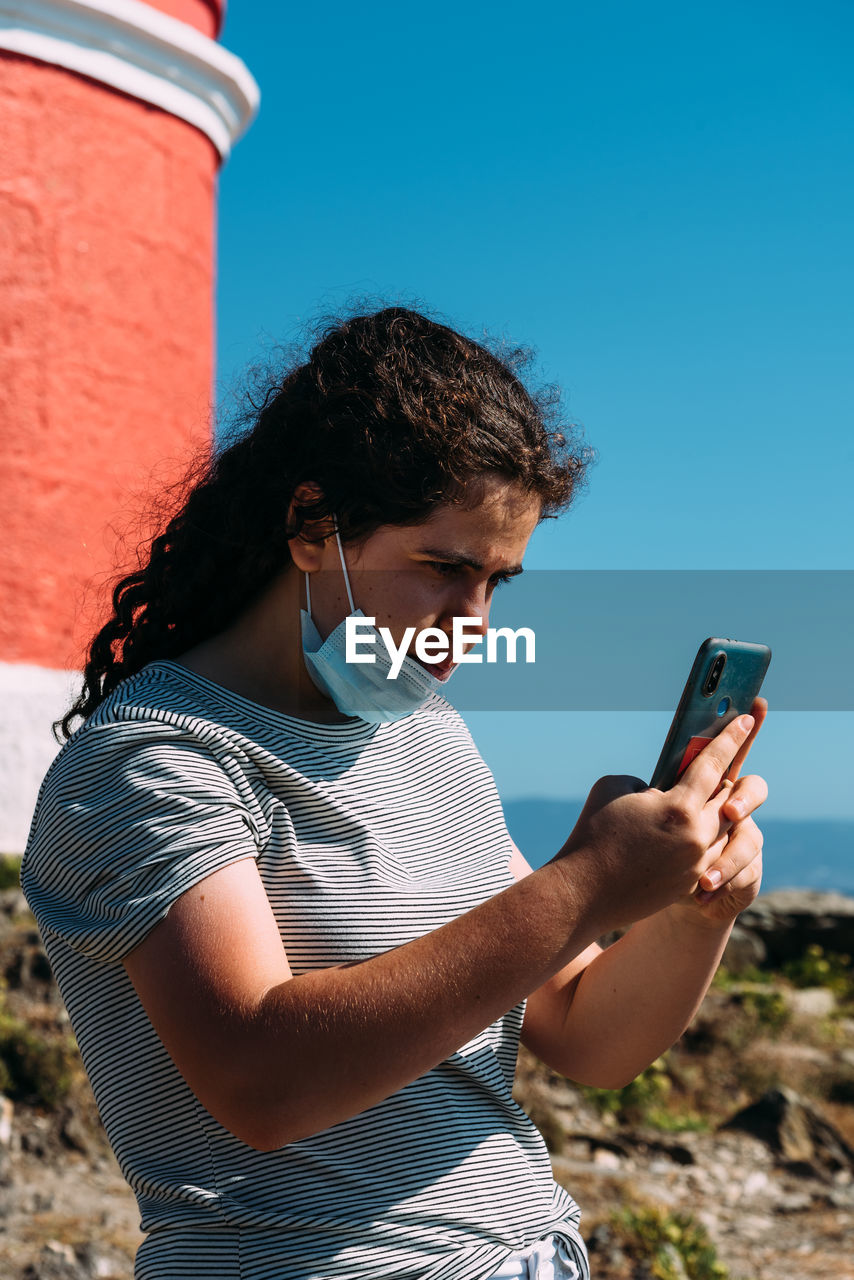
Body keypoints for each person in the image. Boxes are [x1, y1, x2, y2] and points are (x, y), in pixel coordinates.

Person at [21, 306, 767, 1280]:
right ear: (308, 526)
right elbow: (261, 1078)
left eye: (498, 580)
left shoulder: (427, 737)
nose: (472, 623)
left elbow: (586, 1033)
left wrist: (688, 911)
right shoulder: (156, 757)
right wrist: (580, 885)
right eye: (444, 567)